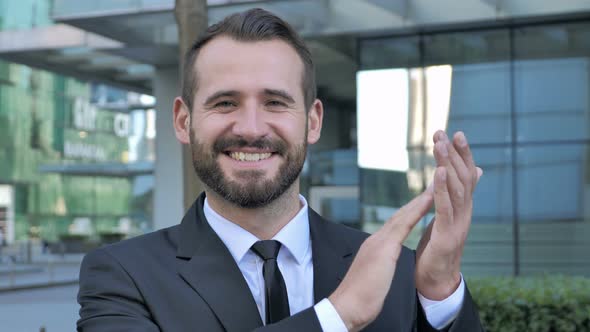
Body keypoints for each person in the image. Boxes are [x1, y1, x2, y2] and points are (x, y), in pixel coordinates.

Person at [77, 8, 484, 332]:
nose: (251, 128)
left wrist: (438, 291)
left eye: (275, 102)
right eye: (224, 103)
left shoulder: (392, 268)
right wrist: (337, 317)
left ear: (312, 122)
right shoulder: (121, 276)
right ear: (184, 121)